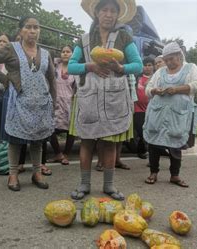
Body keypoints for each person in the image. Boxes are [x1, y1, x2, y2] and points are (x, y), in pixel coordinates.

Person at [68, 0, 142, 200]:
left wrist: (121, 68)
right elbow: (71, 67)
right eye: (104, 10)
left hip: (114, 97)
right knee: (87, 142)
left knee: (109, 143)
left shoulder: (124, 37)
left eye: (113, 11)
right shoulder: (83, 40)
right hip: (89, 97)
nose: (108, 14)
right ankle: (84, 184)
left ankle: (109, 185)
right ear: (97, 14)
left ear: (117, 15)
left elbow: (138, 65)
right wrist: (89, 66)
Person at [0, 16, 56, 191]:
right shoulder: (11, 49)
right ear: (21, 30)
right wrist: (5, 80)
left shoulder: (45, 53)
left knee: (37, 140)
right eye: (28, 27)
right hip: (19, 101)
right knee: (15, 139)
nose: (32, 31)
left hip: (41, 102)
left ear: (39, 31)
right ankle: (13, 174)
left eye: (36, 27)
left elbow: (52, 79)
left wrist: (54, 101)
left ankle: (37, 172)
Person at [143, 42, 197, 187]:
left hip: (178, 114)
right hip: (158, 113)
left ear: (179, 56)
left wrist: (177, 89)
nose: (169, 62)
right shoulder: (160, 72)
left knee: (175, 143)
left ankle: (175, 175)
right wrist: (154, 91)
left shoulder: (190, 68)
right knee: (154, 143)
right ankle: (153, 172)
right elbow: (148, 88)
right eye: (167, 59)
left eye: (172, 59)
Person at [45, 45, 76, 166]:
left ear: (72, 54)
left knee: (71, 131)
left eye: (68, 52)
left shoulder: (75, 69)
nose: (65, 54)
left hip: (69, 103)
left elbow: (77, 87)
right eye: (63, 51)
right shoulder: (56, 66)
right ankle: (58, 153)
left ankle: (66, 155)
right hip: (55, 102)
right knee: (50, 128)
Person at [134, 56, 155, 159]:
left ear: (153, 67)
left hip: (152, 109)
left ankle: (150, 152)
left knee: (151, 131)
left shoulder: (157, 78)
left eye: (149, 65)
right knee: (140, 131)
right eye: (145, 65)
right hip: (138, 109)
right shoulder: (137, 77)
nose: (147, 67)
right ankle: (142, 150)